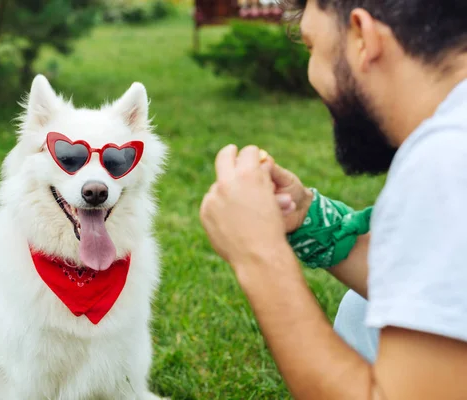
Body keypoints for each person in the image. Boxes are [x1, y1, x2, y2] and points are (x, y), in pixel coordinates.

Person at [199, 0, 467, 398]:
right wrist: (310, 222)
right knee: (363, 311)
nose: (312, 75)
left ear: (362, 36)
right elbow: (442, 285)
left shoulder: (445, 160)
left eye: (310, 45)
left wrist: (259, 255)